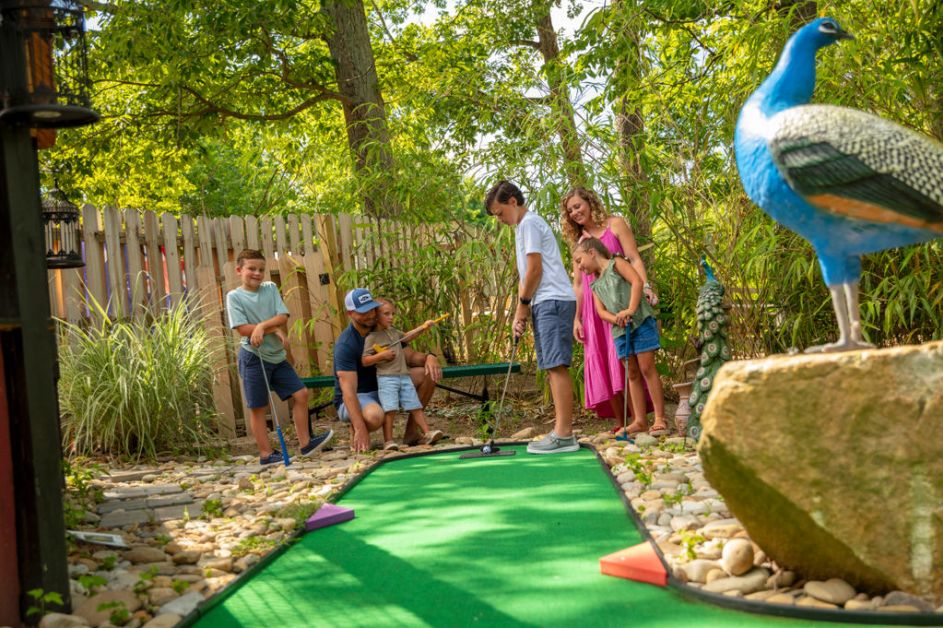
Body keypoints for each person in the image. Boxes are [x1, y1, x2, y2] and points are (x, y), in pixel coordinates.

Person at [485, 180, 579, 455]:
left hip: (552, 299)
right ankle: (561, 431)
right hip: (544, 301)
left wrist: (523, 306)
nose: (499, 220)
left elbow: (535, 270)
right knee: (552, 365)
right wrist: (521, 311)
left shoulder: (529, 223)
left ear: (512, 201)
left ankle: (564, 435)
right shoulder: (522, 228)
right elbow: (526, 273)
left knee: (556, 365)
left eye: (500, 213)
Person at [560, 187, 656, 432]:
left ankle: (640, 417)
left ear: (590, 202)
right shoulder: (580, 244)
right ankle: (622, 421)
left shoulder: (616, 224)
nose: (574, 213)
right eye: (570, 210)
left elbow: (634, 258)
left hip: (623, 300)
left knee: (630, 359)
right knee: (603, 357)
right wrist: (577, 318)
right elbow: (579, 284)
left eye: (578, 206)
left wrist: (645, 287)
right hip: (597, 308)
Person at [227, 249, 334, 465]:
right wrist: (271, 329)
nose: (257, 273)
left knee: (301, 393)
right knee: (258, 406)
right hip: (253, 357)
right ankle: (267, 454)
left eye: (261, 270)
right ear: (239, 270)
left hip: (276, 355)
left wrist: (264, 326)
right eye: (251, 269)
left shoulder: (270, 288)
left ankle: (306, 444)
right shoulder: (234, 296)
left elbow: (282, 316)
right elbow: (242, 329)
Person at [574, 237, 668, 436]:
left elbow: (637, 282)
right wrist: (616, 318)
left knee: (646, 368)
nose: (579, 267)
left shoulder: (617, 263)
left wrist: (631, 310)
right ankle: (639, 420)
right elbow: (601, 312)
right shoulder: (595, 285)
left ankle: (660, 417)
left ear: (591, 252)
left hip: (640, 321)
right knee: (631, 373)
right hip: (620, 331)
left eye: (579, 260)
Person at [333, 288, 443, 453]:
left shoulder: (384, 330)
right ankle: (356, 429)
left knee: (426, 373)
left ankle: (412, 433)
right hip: (357, 396)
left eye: (371, 308)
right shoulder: (346, 344)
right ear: (350, 314)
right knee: (375, 416)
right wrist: (360, 426)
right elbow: (348, 391)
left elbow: (410, 357)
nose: (370, 315)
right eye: (363, 312)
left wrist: (430, 357)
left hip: (385, 383)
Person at [363, 298, 444, 450]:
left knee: (415, 406)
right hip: (387, 379)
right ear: (375, 316)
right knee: (390, 409)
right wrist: (381, 356)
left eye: (392, 314)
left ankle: (427, 433)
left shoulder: (393, 332)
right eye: (386, 314)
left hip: (404, 377)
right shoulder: (371, 338)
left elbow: (408, 336)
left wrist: (424, 327)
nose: (391, 317)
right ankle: (388, 441)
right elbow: (365, 360)